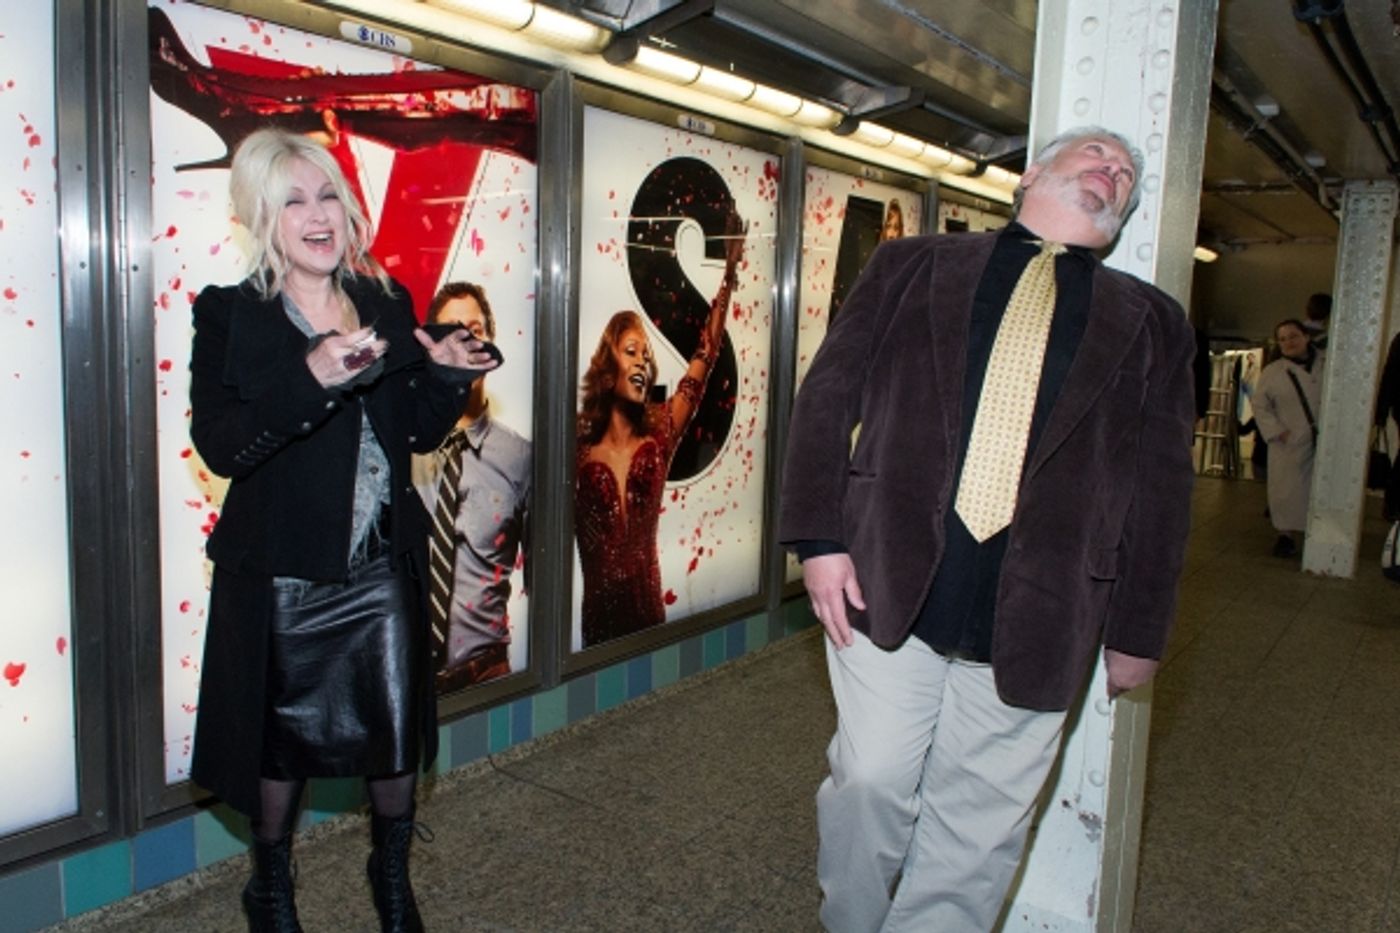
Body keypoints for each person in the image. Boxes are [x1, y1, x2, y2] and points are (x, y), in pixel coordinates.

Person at [779, 126, 1196, 932]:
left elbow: (1162, 487)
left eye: (1126, 176)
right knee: (870, 780)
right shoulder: (915, 265)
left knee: (979, 829)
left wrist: (1140, 630)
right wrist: (818, 539)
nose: (1113, 173)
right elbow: (830, 395)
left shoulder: (1151, 321)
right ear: (1034, 171)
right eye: (1097, 157)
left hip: (1047, 607)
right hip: (885, 578)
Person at [188, 128, 499, 933]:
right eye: (293, 199)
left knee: (394, 738)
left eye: (327, 193)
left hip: (377, 568)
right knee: (279, 751)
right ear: (262, 215)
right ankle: (272, 888)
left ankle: (392, 881)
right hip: (285, 574)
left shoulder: (389, 302)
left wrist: (450, 378)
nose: (317, 214)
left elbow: (417, 437)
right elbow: (222, 445)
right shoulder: (231, 317)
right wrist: (312, 376)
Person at [574, 213, 745, 647]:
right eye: (631, 351)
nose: (643, 361)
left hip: (650, 614)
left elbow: (705, 357)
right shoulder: (574, 443)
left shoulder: (662, 427)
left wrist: (728, 277)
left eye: (646, 356)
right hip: (597, 625)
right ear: (608, 368)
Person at [412, 282, 531, 692]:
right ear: (432, 347)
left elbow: (542, 576)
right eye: (451, 331)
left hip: (487, 675)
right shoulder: (402, 447)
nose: (465, 342)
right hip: (408, 674)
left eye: (476, 330)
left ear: (491, 347)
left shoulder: (520, 458)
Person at [1253, 318, 1323, 557]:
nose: (1288, 342)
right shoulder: (1273, 372)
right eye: (1283, 339)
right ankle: (1285, 536)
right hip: (1289, 440)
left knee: (1320, 487)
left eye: (1293, 336)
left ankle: (1318, 533)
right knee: (1286, 490)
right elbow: (1260, 406)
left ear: (1306, 336)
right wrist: (1277, 431)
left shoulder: (1327, 364)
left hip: (1322, 439)